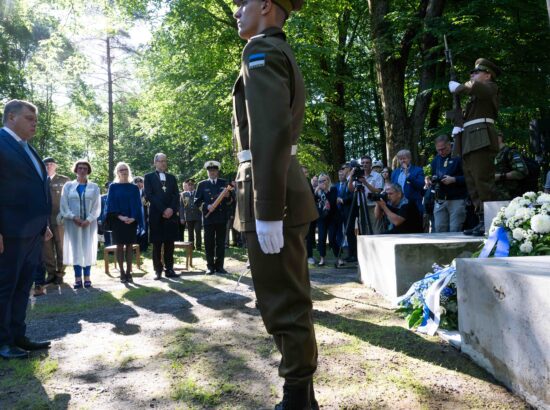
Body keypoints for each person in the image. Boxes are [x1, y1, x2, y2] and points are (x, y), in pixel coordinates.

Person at [232, 1, 320, 408]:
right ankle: (302, 395)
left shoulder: (261, 51)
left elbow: (270, 133)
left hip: (273, 192)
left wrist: (267, 209)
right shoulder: (276, 49)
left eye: (242, 3)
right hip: (279, 186)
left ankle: (297, 399)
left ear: (266, 6)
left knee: (283, 301)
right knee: (289, 297)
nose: (236, 10)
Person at [0, 99, 52, 359]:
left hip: (33, 232)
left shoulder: (28, 149)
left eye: (36, 120)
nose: (35, 124)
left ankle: (18, 335)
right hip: (8, 231)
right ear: (11, 117)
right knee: (5, 286)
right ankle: (3, 341)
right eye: (30, 119)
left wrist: (44, 225)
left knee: (23, 286)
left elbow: (38, 186)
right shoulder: (1, 143)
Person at [449, 58, 501, 236]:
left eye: (477, 72)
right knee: (473, 184)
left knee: (483, 181)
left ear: (488, 75)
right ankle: (482, 220)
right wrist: (458, 124)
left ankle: (493, 222)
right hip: (469, 141)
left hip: (481, 139)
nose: (472, 74)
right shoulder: (473, 96)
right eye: (472, 72)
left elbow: (475, 88)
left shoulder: (490, 87)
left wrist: (459, 87)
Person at [59, 160, 101, 289]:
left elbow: (96, 206)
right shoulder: (68, 186)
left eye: (85, 168)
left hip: (89, 224)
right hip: (73, 223)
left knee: (87, 249)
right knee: (76, 249)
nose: (82, 170)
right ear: (76, 170)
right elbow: (64, 204)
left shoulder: (94, 187)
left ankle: (87, 277)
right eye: (80, 168)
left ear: (88, 171)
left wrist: (89, 219)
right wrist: (73, 217)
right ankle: (77, 278)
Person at [106, 162, 144, 283]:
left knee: (129, 246)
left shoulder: (134, 188)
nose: (123, 171)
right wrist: (121, 217)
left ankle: (129, 272)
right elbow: (110, 204)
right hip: (118, 221)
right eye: (121, 170)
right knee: (119, 246)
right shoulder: (113, 187)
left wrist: (133, 218)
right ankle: (122, 272)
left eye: (125, 169)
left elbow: (138, 205)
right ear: (117, 172)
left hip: (131, 221)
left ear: (128, 171)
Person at [144, 153, 180, 280]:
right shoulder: (148, 177)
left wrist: (171, 209)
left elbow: (176, 195)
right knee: (157, 244)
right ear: (155, 162)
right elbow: (149, 195)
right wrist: (163, 209)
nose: (163, 163)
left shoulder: (172, 177)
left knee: (170, 243)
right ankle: (157, 270)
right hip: (156, 214)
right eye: (161, 161)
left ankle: (169, 268)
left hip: (170, 215)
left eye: (165, 161)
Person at [194, 160, 232, 275]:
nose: (212, 173)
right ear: (207, 172)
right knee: (209, 243)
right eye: (210, 171)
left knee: (220, 243)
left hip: (221, 218)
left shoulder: (224, 183)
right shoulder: (202, 184)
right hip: (208, 218)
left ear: (217, 172)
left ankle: (220, 266)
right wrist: (207, 206)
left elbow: (231, 201)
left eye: (214, 171)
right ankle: (210, 266)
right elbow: (196, 202)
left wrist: (228, 195)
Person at [427, 135, 468, 232]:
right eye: (438, 150)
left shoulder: (459, 157)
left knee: (455, 229)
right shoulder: (436, 160)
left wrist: (454, 179)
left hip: (456, 200)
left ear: (449, 145)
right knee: (439, 228)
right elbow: (432, 176)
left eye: (443, 149)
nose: (441, 152)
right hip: (440, 200)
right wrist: (428, 180)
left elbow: (470, 177)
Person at [42, 157, 70, 286]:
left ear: (56, 166)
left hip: (60, 219)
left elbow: (70, 199)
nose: (49, 166)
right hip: (43, 220)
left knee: (61, 247)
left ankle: (60, 273)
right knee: (46, 249)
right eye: (46, 164)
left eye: (51, 164)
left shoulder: (64, 180)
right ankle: (51, 273)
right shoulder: (39, 179)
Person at [348, 155, 385, 235]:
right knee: (364, 230)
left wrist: (365, 183)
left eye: (367, 163)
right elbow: (351, 189)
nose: (364, 165)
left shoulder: (377, 176)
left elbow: (378, 191)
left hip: (374, 206)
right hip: (361, 206)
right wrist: (351, 177)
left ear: (371, 164)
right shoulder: (358, 175)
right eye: (363, 163)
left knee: (376, 230)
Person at [315, 174, 344, 267]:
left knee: (332, 239)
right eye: (320, 181)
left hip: (333, 217)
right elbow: (314, 201)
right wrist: (317, 192)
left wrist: (325, 191)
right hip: (322, 217)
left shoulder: (333, 189)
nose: (322, 183)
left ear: (328, 181)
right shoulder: (317, 191)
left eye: (324, 180)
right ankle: (322, 258)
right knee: (321, 238)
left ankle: (338, 258)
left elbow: (332, 202)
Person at [494, 132, 528, 200]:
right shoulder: (492, 154)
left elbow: (522, 172)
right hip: (494, 198)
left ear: (499, 137)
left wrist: (500, 176)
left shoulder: (510, 152)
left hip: (510, 199)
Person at [391, 149, 425, 216]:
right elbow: (393, 186)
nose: (402, 161)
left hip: (413, 204)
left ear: (409, 159)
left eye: (404, 158)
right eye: (400, 159)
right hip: (398, 204)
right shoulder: (395, 172)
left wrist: (408, 174)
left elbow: (421, 185)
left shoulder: (418, 170)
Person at [180, 179, 202, 251]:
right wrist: (182, 217)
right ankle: (191, 246)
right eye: (188, 185)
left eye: (191, 184)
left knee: (198, 231)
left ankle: (198, 246)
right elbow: (182, 207)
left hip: (197, 216)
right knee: (190, 232)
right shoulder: (183, 194)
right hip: (189, 216)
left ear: (194, 185)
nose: (190, 186)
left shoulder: (198, 193)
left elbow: (201, 204)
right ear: (187, 186)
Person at [133, 176, 149, 252]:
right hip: (135, 215)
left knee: (144, 230)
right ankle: (135, 247)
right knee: (135, 230)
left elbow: (149, 204)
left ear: (143, 183)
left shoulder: (146, 193)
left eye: (140, 182)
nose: (138, 184)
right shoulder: (132, 193)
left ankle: (144, 247)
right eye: (136, 182)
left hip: (144, 215)